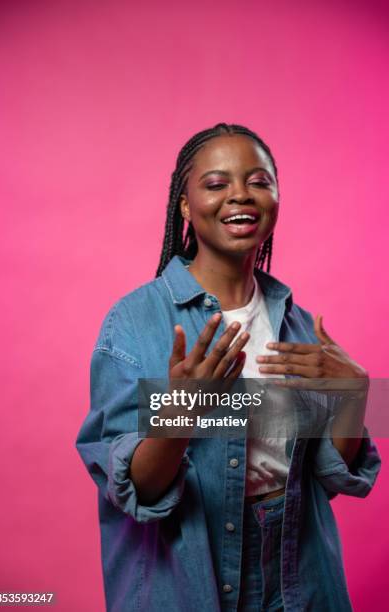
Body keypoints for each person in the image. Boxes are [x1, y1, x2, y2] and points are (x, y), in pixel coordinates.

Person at [75, 123, 381, 612]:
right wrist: (182, 411)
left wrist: (357, 398)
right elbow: (136, 491)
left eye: (259, 181)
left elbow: (334, 479)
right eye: (217, 184)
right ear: (184, 204)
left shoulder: (296, 321)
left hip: (299, 576)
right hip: (190, 578)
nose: (241, 195)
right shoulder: (134, 323)